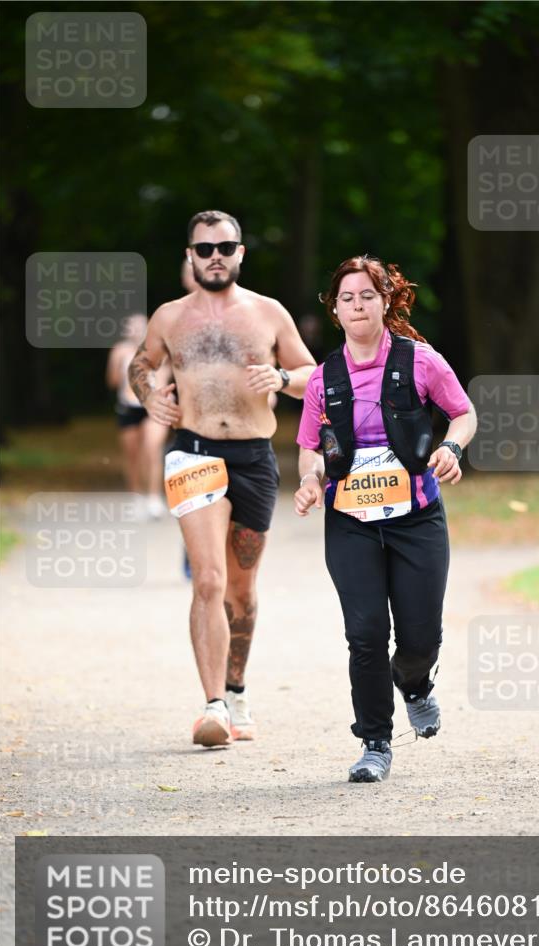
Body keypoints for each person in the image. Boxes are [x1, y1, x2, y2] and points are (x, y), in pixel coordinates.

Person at [129, 210, 316, 747]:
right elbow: (140, 365)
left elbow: (313, 376)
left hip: (254, 459)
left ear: (240, 253)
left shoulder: (268, 313)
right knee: (208, 579)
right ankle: (212, 707)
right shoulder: (170, 316)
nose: (215, 256)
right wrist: (151, 396)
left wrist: (281, 377)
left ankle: (236, 690)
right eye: (204, 248)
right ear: (190, 256)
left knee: (242, 589)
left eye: (225, 247)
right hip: (193, 454)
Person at [294, 256, 476, 783]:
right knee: (366, 632)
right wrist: (310, 481)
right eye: (347, 297)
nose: (357, 305)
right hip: (350, 520)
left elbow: (463, 414)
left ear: (387, 301)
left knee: (420, 636)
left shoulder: (421, 361)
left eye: (367, 296)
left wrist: (451, 449)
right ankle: (375, 742)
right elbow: (309, 447)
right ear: (335, 309)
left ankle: (415, 683)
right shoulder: (322, 378)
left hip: (417, 517)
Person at [106, 313, 170, 518]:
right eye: (132, 327)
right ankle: (136, 497)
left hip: (154, 406)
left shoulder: (160, 349)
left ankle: (153, 497)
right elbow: (113, 382)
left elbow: (167, 374)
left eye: (140, 327)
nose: (136, 331)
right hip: (128, 406)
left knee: (152, 448)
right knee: (132, 454)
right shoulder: (120, 351)